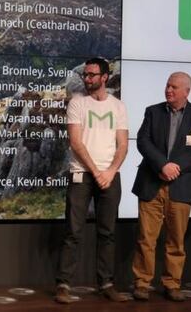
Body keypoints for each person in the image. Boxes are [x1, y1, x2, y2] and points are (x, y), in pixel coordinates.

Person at [55, 58, 130, 304]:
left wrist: (110, 171)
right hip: (82, 174)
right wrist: (96, 172)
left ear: (104, 77)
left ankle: (106, 283)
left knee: (107, 232)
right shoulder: (78, 103)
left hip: (110, 176)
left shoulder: (118, 106)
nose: (87, 79)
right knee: (73, 232)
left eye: (91, 75)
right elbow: (76, 142)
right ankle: (64, 285)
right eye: (85, 75)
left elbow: (122, 144)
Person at [131, 72, 191, 302]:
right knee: (146, 237)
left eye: (174, 87)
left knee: (176, 239)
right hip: (152, 182)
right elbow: (143, 141)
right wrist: (163, 164)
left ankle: (172, 283)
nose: (168, 90)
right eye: (167, 85)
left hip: (182, 184)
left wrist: (176, 166)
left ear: (187, 91)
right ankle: (142, 283)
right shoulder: (153, 111)